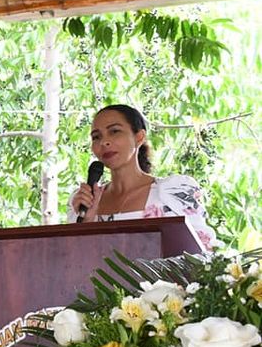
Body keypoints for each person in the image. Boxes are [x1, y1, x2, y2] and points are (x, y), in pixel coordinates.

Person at [68, 103, 216, 251]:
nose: (104, 142)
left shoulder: (172, 191)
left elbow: (203, 254)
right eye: (96, 137)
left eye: (114, 131)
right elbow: (71, 258)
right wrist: (86, 222)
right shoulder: (84, 202)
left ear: (139, 137)